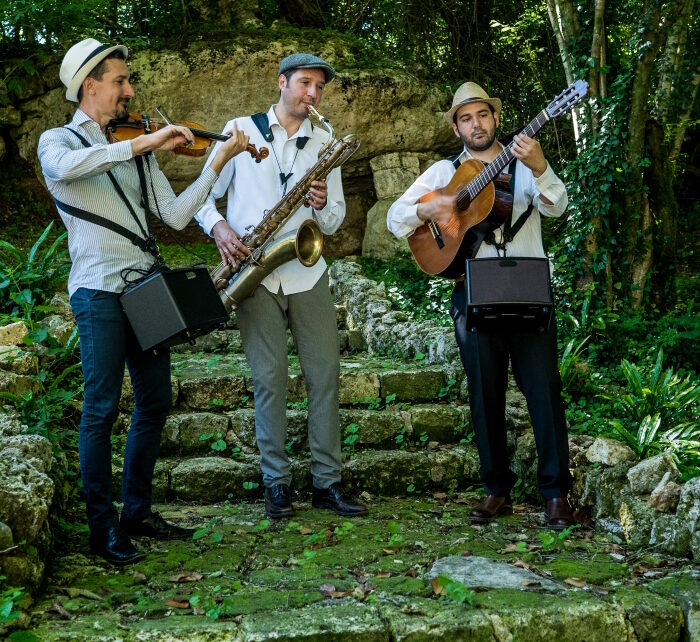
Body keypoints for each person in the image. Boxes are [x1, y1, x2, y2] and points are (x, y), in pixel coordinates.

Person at [37, 38, 249, 564]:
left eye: (129, 81)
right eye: (120, 81)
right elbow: (67, 169)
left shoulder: (135, 144)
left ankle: (136, 511)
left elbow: (174, 216)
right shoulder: (56, 141)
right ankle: (102, 528)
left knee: (155, 401)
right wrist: (145, 143)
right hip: (97, 291)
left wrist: (216, 161)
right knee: (101, 408)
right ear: (90, 86)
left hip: (144, 289)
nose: (130, 91)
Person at [387, 82, 575, 530]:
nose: (476, 124)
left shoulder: (524, 161)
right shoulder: (444, 170)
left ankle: (556, 494)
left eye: (483, 115)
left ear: (496, 119)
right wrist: (436, 207)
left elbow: (558, 206)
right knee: (484, 394)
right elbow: (396, 218)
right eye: (466, 118)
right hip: (472, 292)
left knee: (545, 390)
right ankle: (496, 489)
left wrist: (542, 167)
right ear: (456, 127)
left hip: (526, 289)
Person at [195, 53, 367, 520]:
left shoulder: (326, 142)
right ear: (282, 82)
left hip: (306, 270)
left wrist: (325, 203)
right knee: (268, 379)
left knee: (325, 375)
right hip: (254, 272)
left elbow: (334, 219)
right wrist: (219, 229)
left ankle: (327, 482)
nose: (313, 94)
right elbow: (202, 196)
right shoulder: (240, 130)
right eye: (305, 83)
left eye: (319, 87)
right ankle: (276, 483)